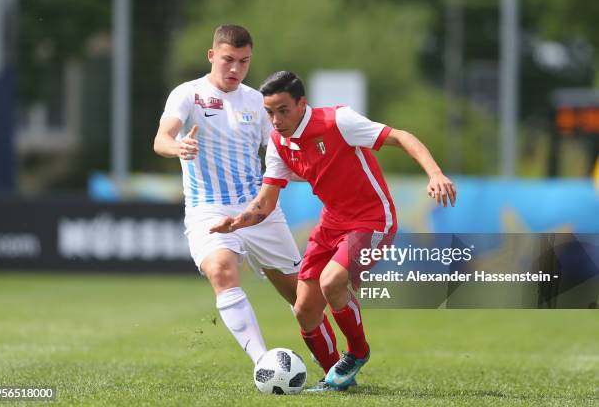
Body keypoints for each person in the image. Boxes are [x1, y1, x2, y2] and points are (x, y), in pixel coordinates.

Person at [210, 71, 456, 391]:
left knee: (332, 281)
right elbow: (266, 202)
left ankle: (357, 352)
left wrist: (435, 173)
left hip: (372, 220)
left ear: (301, 104)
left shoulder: (339, 121)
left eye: (283, 110)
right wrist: (238, 221)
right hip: (330, 224)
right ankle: (336, 379)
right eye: (269, 112)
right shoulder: (278, 144)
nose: (276, 119)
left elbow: (401, 136)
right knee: (304, 310)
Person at [153, 26, 319, 366]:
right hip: (207, 210)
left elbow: (280, 152)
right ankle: (264, 363)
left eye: (243, 62)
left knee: (301, 297)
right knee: (221, 270)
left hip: (258, 210)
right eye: (228, 59)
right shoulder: (188, 94)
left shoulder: (258, 101)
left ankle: (332, 365)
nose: (235, 69)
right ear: (212, 56)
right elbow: (161, 139)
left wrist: (316, 171)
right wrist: (178, 146)